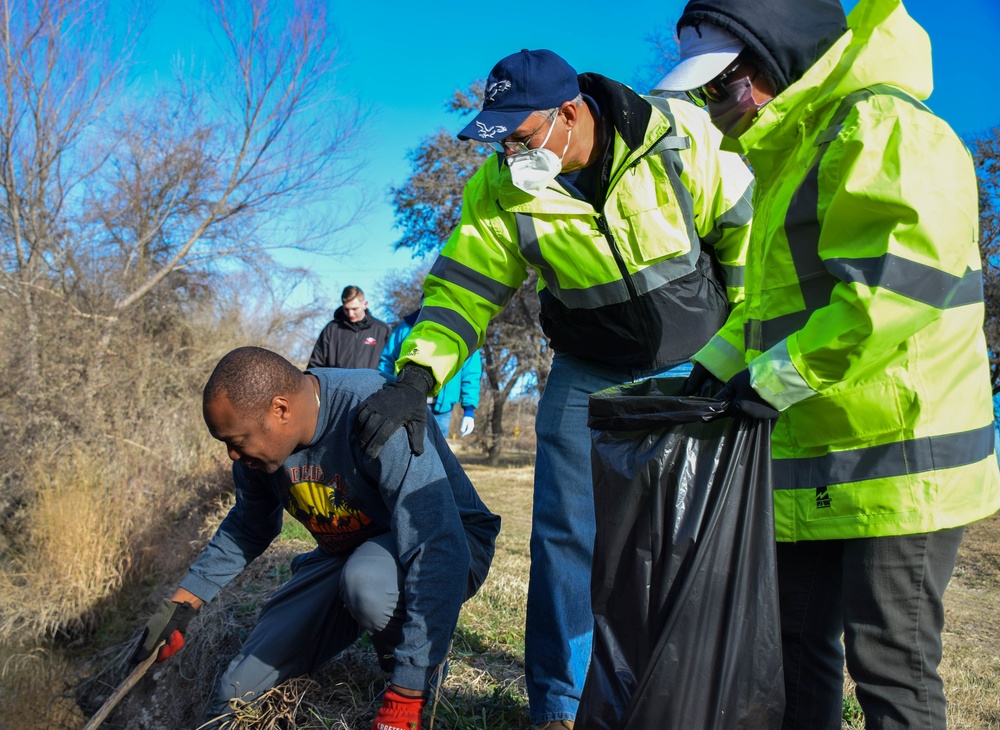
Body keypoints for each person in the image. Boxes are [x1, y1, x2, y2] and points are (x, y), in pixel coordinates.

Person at [354, 48, 755, 728]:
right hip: (588, 366)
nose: (510, 154)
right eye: (500, 140)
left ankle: (686, 693)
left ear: (569, 113)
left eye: (519, 135)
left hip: (699, 362)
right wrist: (416, 378)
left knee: (690, 537)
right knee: (568, 538)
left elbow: (751, 243)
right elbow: (462, 291)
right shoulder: (503, 187)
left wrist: (745, 352)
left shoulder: (680, 136)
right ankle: (560, 706)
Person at [655, 1, 1000, 728]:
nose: (714, 109)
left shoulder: (881, 126)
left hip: (903, 462)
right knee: (796, 645)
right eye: (704, 92)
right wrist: (711, 369)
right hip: (817, 454)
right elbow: (768, 307)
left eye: (722, 86)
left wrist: (773, 380)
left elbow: (897, 287)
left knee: (892, 667)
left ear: (774, 61)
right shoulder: (793, 155)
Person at [134, 346, 500, 730]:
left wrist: (405, 695)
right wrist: (182, 604)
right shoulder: (255, 451)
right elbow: (249, 525)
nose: (232, 456)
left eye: (236, 441)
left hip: (450, 542)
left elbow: (437, 545)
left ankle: (416, 673)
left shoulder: (375, 411)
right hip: (352, 550)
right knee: (234, 691)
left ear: (280, 410)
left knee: (367, 584)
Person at [380, 308, 482, 439]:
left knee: (435, 454)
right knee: (401, 451)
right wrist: (385, 389)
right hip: (405, 401)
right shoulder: (406, 327)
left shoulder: (463, 330)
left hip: (441, 411)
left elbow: (470, 372)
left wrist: (469, 409)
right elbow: (387, 360)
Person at [308, 285, 391, 370]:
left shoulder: (382, 330)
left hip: (372, 383)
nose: (350, 314)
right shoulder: (331, 329)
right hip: (337, 383)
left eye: (354, 309)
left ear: (365, 304)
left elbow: (390, 363)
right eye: (346, 309)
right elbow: (315, 366)